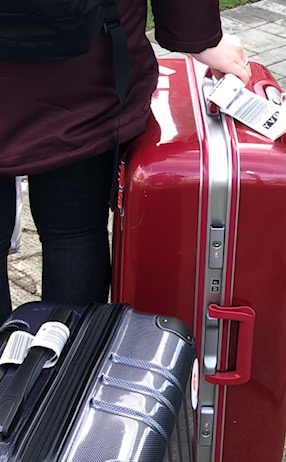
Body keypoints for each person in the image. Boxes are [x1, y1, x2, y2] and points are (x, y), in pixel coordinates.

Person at [0, 0, 251, 324]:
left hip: (82, 53)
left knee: (72, 233)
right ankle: (70, 351)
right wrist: (200, 37)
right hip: (83, 64)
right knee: (72, 231)